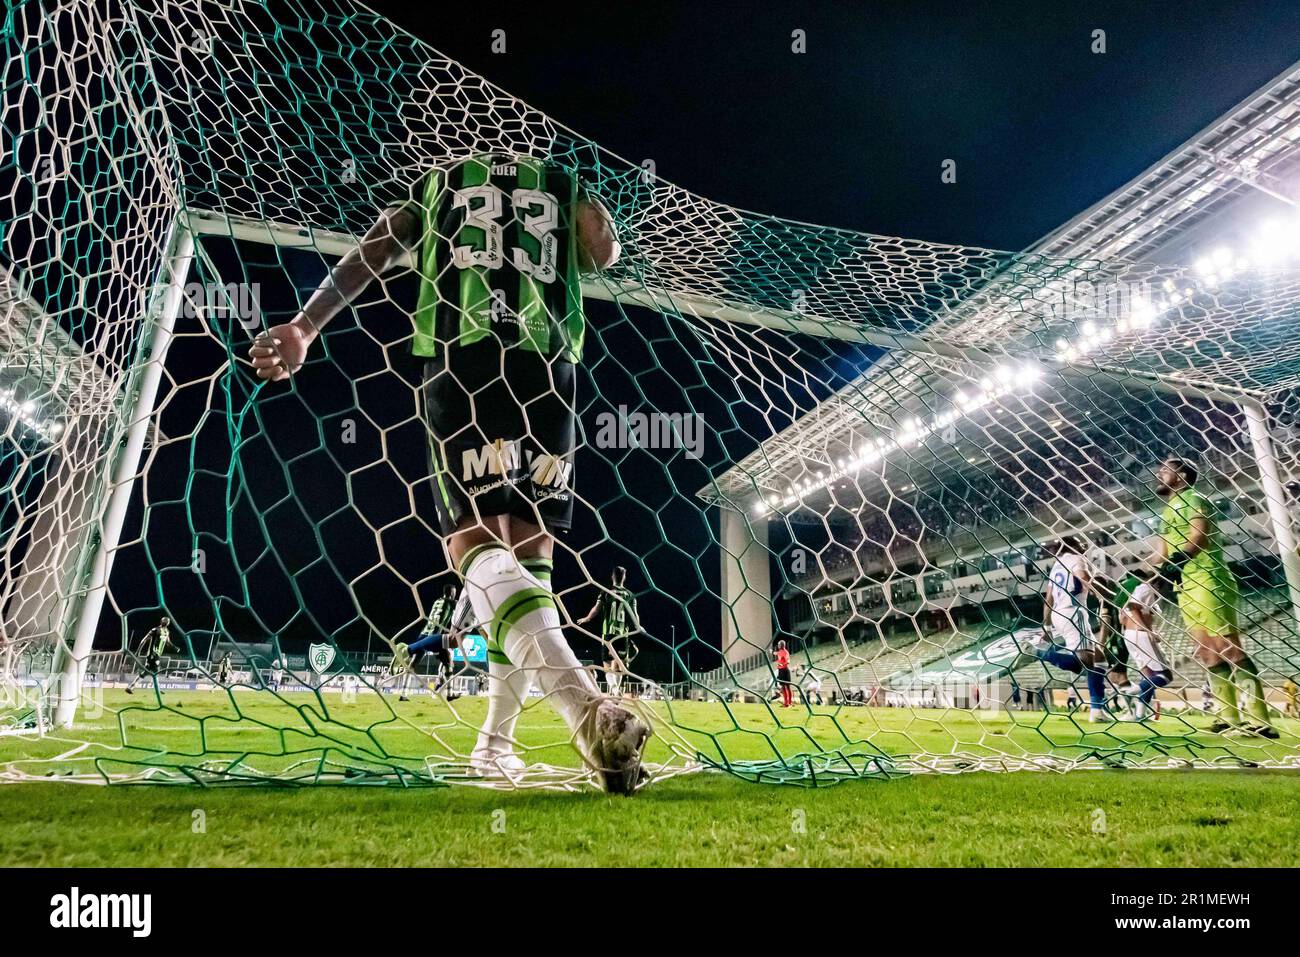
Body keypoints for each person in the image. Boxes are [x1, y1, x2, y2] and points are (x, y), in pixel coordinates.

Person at [249, 152, 647, 793]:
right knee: (529, 549)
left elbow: (378, 245)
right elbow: (602, 252)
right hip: (549, 366)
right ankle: (498, 742)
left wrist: (305, 324)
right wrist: (588, 204)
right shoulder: (559, 178)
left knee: (474, 542)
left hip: (463, 353)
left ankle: (584, 712)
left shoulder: (439, 181)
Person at [1150, 458, 1276, 738]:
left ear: (1182, 475)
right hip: (1186, 586)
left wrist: (1180, 558)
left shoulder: (1195, 498)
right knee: (1206, 652)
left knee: (1227, 648)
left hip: (1209, 579)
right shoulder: (1167, 509)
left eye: (1165, 471)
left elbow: (1199, 535)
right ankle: (1228, 717)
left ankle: (1261, 720)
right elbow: (1160, 553)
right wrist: (1138, 574)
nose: (1159, 475)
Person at [1032, 537, 1109, 722]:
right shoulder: (1075, 559)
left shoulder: (1056, 566)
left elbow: (1048, 599)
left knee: (1099, 660)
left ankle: (1097, 710)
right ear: (1072, 547)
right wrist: (1103, 594)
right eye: (1080, 544)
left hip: (1059, 614)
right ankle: (1040, 653)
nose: (1083, 547)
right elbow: (1083, 577)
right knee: (1087, 662)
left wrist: (1048, 627)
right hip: (1073, 612)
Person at [577, 566, 640, 698]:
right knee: (617, 667)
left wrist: (587, 618)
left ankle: (614, 689)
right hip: (623, 634)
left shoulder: (605, 592)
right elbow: (634, 615)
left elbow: (596, 608)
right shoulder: (630, 595)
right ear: (624, 577)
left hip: (608, 634)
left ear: (612, 577)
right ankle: (616, 691)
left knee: (607, 667)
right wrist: (638, 626)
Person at [1119, 566, 1171, 721]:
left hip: (1129, 635)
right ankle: (1130, 692)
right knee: (1165, 675)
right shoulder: (1147, 588)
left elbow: (1123, 616)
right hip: (1140, 635)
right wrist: (1148, 631)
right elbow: (1133, 607)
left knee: (1148, 675)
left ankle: (1140, 714)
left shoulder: (1136, 591)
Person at [126, 617, 177, 694]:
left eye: (167, 621)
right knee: (154, 671)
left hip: (158, 654)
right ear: (161, 621)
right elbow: (144, 639)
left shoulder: (166, 631)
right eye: (164, 620)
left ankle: (131, 687)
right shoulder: (155, 630)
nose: (165, 622)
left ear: (168, 623)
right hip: (152, 654)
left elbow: (168, 641)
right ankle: (156, 690)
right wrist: (138, 651)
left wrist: (175, 647)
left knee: (149, 671)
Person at [773, 640, 793, 708]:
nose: (778, 646)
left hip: (785, 670)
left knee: (787, 686)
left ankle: (789, 703)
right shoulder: (780, 652)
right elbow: (776, 653)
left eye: (779, 644)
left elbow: (788, 661)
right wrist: (772, 652)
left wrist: (782, 664)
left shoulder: (785, 652)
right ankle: (786, 703)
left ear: (782, 645)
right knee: (783, 687)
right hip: (780, 670)